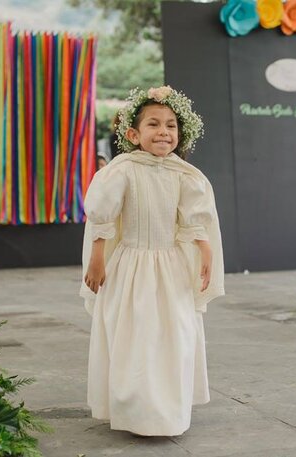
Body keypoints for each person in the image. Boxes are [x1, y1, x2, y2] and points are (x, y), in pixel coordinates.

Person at [79, 86, 225, 436]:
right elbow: (102, 215)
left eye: (171, 125)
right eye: (154, 124)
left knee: (175, 333)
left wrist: (205, 250)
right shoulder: (122, 170)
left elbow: (193, 218)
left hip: (171, 267)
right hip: (131, 265)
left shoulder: (183, 174)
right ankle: (136, 411)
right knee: (136, 335)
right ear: (134, 133)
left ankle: (168, 413)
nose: (163, 132)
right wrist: (97, 258)